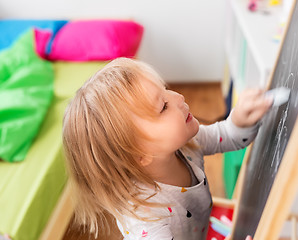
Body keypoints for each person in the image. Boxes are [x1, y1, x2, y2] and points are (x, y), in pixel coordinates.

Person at [62, 57, 272, 240]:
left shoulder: (187, 144)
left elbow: (227, 136)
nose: (178, 97)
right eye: (163, 106)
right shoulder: (149, 222)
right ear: (140, 155)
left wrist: (239, 120)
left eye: (166, 90)